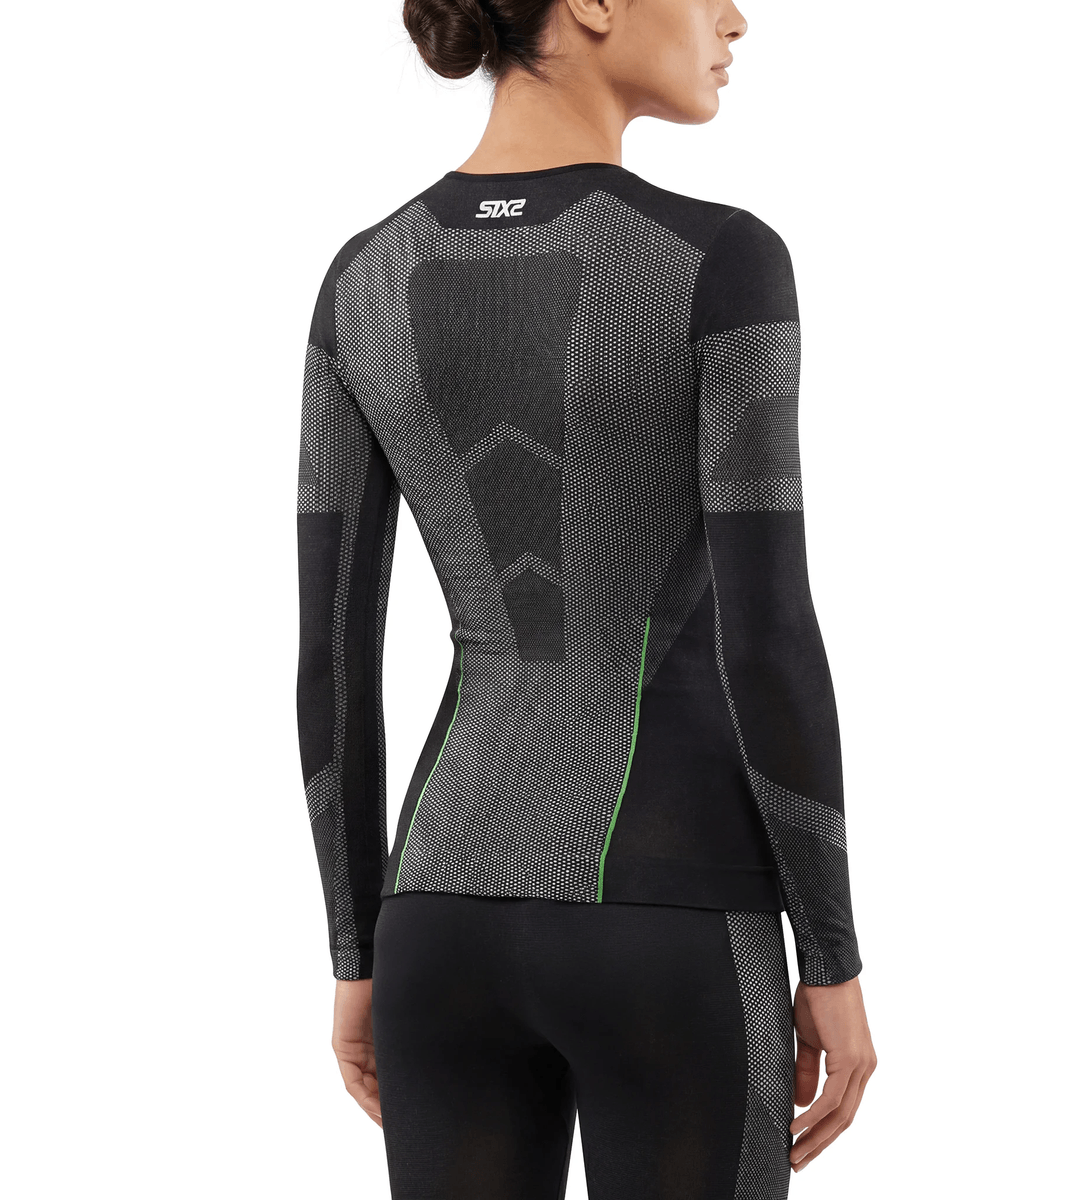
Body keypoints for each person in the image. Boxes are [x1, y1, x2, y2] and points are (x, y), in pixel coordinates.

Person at [295, 0, 877, 1195]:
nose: (736, 19)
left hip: (435, 921)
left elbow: (329, 663)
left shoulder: (362, 278)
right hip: (670, 914)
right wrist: (832, 955)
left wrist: (356, 950)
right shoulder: (720, 261)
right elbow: (768, 639)